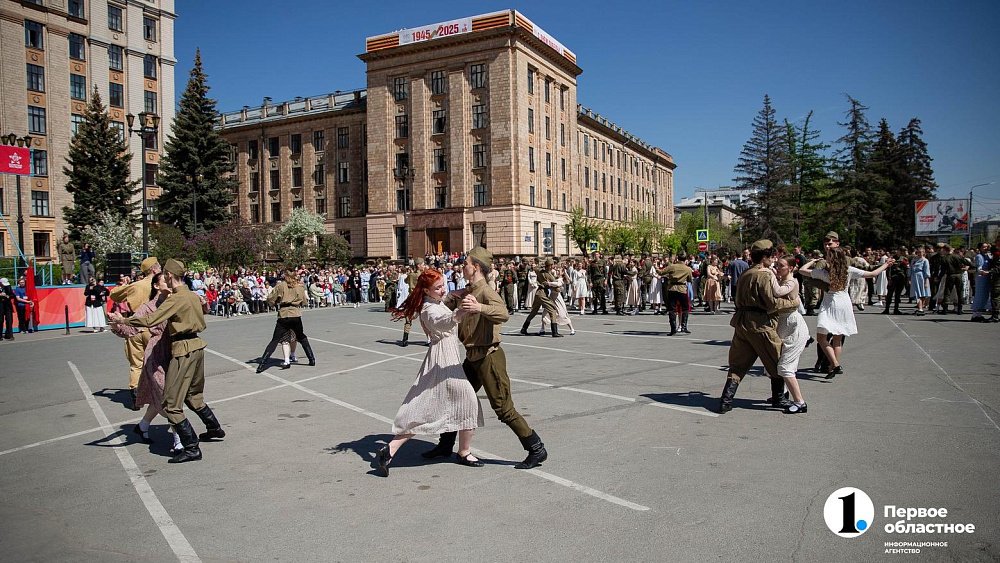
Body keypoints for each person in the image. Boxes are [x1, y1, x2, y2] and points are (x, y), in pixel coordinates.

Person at [423, 247, 549, 469]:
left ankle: (536, 448)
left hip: (489, 357)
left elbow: (503, 314)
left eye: (466, 264)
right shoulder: (468, 289)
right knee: (456, 400)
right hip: (473, 357)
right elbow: (445, 310)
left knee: (503, 407)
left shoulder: (485, 291)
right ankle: (445, 445)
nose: (463, 267)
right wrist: (452, 296)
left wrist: (479, 306)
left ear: (476, 267)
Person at [109, 259, 225, 464]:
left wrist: (123, 319)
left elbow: (149, 321)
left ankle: (190, 447)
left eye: (165, 276)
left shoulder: (176, 298)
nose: (164, 280)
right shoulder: (192, 295)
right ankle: (214, 429)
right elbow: (203, 311)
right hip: (196, 346)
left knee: (171, 403)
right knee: (193, 396)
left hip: (182, 350)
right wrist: (122, 326)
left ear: (170, 277)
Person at [376, 269, 485, 476]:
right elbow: (441, 322)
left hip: (446, 358)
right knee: (458, 402)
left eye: (443, 284)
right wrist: (460, 313)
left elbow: (448, 299)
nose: (443, 289)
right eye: (438, 287)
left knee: (431, 406)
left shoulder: (436, 301)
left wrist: (458, 292)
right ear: (427, 290)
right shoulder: (428, 308)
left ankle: (390, 450)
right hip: (442, 359)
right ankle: (463, 451)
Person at [109, 273, 182, 452]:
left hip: (173, 353)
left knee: (160, 396)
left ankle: (142, 426)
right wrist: (117, 323)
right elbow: (131, 328)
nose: (170, 281)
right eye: (166, 279)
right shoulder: (148, 307)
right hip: (156, 355)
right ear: (156, 286)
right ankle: (179, 438)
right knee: (167, 397)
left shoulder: (176, 301)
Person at [800, 247, 893, 378]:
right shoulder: (848, 270)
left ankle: (835, 365)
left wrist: (812, 261)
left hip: (831, 303)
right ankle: (833, 367)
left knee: (821, 337)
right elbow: (872, 274)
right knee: (837, 338)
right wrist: (886, 264)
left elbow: (802, 270)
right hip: (844, 302)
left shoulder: (824, 272)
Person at [718, 240, 786, 414]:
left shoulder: (746, 274)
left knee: (738, 364)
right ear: (764, 257)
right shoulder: (764, 275)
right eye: (771, 256)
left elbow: (736, 298)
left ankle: (726, 399)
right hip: (760, 323)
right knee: (776, 360)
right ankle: (778, 398)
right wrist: (792, 302)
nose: (773, 260)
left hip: (742, 322)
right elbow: (771, 302)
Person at [109, 257, 162, 410]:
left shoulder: (135, 285)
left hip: (134, 326)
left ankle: (135, 397)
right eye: (159, 267)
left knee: (136, 364)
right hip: (153, 326)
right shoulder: (160, 284)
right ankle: (158, 393)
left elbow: (114, 295)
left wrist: (126, 285)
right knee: (157, 361)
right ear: (154, 269)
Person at [256, 269, 316, 373]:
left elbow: (270, 298)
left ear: (285, 276)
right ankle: (312, 359)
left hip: (284, 314)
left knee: (275, 340)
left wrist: (274, 303)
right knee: (301, 337)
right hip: (295, 314)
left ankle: (262, 364)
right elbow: (304, 301)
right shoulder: (300, 286)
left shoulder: (281, 286)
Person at [770, 255, 809, 414]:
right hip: (784, 325)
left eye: (781, 266)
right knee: (778, 363)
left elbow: (778, 292)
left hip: (794, 326)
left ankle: (800, 402)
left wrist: (770, 274)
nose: (778, 268)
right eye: (777, 265)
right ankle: (783, 394)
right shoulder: (783, 280)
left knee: (786, 367)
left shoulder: (791, 282)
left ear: (791, 268)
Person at [520, 259, 563, 337]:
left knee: (534, 311)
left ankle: (524, 328)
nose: (553, 266)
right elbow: (557, 288)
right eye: (552, 265)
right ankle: (554, 332)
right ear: (550, 266)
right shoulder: (548, 275)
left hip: (538, 293)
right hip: (543, 294)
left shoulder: (539, 271)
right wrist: (560, 287)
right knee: (553, 310)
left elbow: (534, 267)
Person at [659, 253, 694, 336]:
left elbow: (661, 272)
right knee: (685, 308)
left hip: (672, 288)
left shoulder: (672, 266)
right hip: (682, 289)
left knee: (672, 309)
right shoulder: (688, 269)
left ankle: (673, 329)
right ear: (685, 259)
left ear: (678, 258)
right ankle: (684, 326)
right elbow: (690, 280)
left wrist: (656, 268)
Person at [971, 243, 993, 322]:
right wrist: (984, 272)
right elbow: (979, 268)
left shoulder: (987, 256)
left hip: (986, 277)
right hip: (981, 277)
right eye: (984, 247)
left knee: (985, 295)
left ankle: (979, 314)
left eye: (986, 247)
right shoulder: (979, 256)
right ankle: (975, 314)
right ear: (980, 248)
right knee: (980, 294)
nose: (985, 248)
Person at [909, 247, 931, 315]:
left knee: (922, 293)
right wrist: (909, 278)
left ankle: (921, 308)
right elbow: (911, 268)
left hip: (921, 277)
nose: (919, 253)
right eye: (918, 252)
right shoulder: (914, 260)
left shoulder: (925, 260)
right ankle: (920, 307)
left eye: (921, 252)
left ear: (923, 253)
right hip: (914, 277)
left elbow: (927, 271)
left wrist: (926, 281)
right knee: (916, 293)